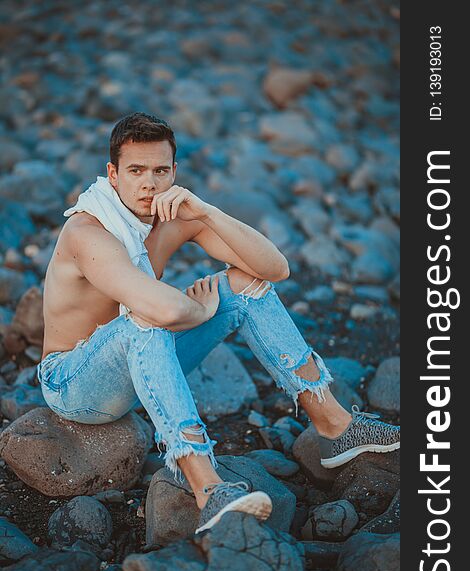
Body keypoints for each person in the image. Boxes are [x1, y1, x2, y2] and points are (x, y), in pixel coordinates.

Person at [37, 112, 400, 534]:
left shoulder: (171, 215)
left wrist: (207, 213)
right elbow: (167, 311)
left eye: (160, 171)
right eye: (135, 171)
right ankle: (209, 489)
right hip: (74, 381)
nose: (148, 184)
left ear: (174, 172)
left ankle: (335, 426)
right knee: (146, 319)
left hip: (140, 363)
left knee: (245, 284)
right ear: (113, 174)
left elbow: (274, 268)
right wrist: (202, 312)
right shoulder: (88, 232)